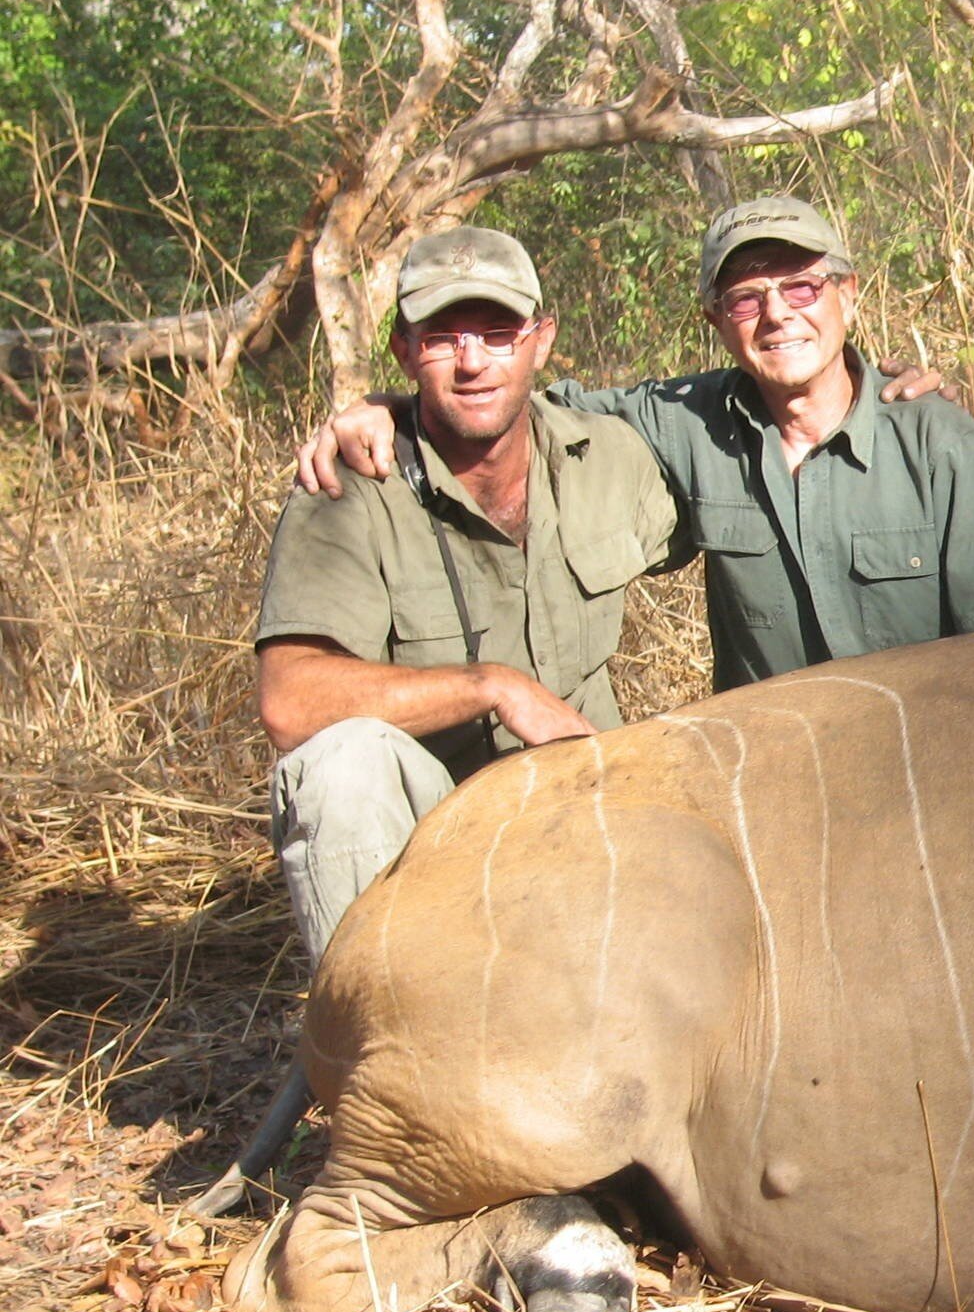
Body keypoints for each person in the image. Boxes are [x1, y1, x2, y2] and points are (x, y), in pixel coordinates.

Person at [298, 195, 974, 693]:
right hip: (769, 780)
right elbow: (518, 405)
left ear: (848, 294)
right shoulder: (684, 421)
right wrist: (394, 409)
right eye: (745, 299)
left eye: (800, 288)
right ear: (716, 321)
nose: (777, 316)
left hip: (924, 768)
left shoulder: (939, 441)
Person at [257, 226, 680, 967]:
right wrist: (493, 688)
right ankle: (383, 1040)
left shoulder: (611, 454)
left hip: (601, 819)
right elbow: (290, 699)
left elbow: (758, 419)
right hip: (440, 854)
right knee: (341, 768)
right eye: (443, 336)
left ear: (540, 340)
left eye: (497, 331)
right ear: (403, 349)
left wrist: (890, 391)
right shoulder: (350, 487)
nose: (473, 360)